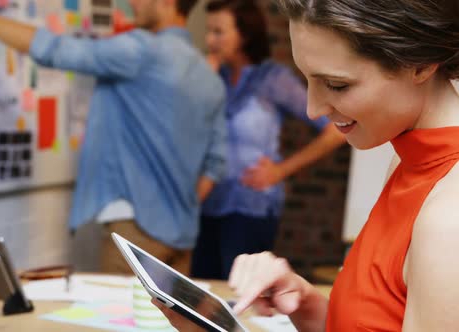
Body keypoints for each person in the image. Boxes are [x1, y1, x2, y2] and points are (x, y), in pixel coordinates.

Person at [155, 0, 459, 330]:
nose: (313, 109)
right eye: (308, 80)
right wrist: (308, 306)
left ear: (420, 64)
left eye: (337, 85)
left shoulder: (448, 218)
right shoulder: (410, 163)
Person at [0, 0, 227, 275]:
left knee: (120, 324)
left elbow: (53, 49)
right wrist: (176, 205)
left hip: (138, 231)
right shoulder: (209, 77)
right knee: (169, 328)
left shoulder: (141, 51)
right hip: (183, 234)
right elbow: (216, 164)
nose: (132, 2)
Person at [191, 0, 345, 281]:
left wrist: (280, 171)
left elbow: (334, 130)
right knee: (203, 291)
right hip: (208, 202)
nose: (209, 40)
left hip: (251, 207)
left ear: (245, 34)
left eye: (219, 31)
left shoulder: (273, 79)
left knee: (239, 292)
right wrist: (202, 84)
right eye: (208, 30)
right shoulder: (211, 77)